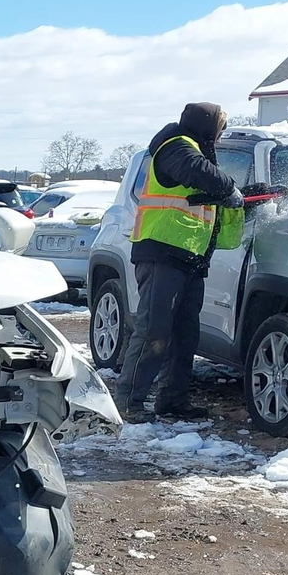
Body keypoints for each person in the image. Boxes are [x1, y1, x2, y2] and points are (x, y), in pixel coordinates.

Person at [115, 102, 245, 421]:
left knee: (184, 335)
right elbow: (199, 174)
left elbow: (205, 194)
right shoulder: (176, 146)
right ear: (205, 125)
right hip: (162, 252)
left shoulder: (197, 152)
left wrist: (243, 194)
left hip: (189, 258)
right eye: (219, 128)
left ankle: (172, 400)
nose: (220, 135)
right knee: (154, 330)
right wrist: (229, 188)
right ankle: (128, 401)